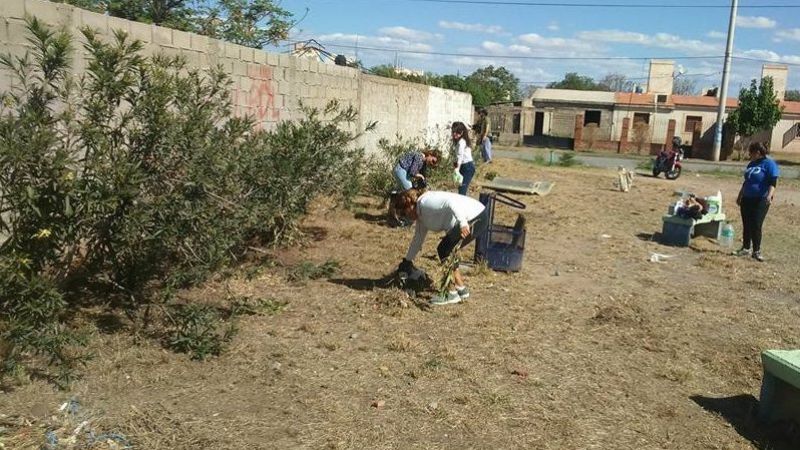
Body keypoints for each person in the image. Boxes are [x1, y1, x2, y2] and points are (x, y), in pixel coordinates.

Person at [393, 188, 489, 305]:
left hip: (475, 216)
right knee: (447, 249)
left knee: (445, 250)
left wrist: (463, 223)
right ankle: (461, 289)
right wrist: (407, 261)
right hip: (473, 217)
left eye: (404, 213)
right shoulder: (421, 217)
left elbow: (450, 202)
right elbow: (417, 240)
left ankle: (451, 293)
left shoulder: (425, 203)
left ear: (409, 205)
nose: (405, 217)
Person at [734, 141, 779, 262]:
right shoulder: (751, 164)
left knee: (756, 224)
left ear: (758, 152)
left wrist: (769, 196)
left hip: (761, 199)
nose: (749, 154)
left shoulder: (769, 164)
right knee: (746, 223)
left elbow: (773, 182)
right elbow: (746, 182)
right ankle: (745, 248)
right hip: (747, 198)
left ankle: (756, 251)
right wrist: (740, 195)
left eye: (751, 152)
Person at [451, 121, 475, 196]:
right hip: (463, 166)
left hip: (468, 167)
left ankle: (463, 206)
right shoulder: (459, 141)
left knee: (462, 190)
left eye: (457, 132)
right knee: (460, 188)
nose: (455, 134)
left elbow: (460, 156)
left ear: (462, 132)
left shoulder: (462, 142)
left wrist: (457, 169)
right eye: (453, 132)